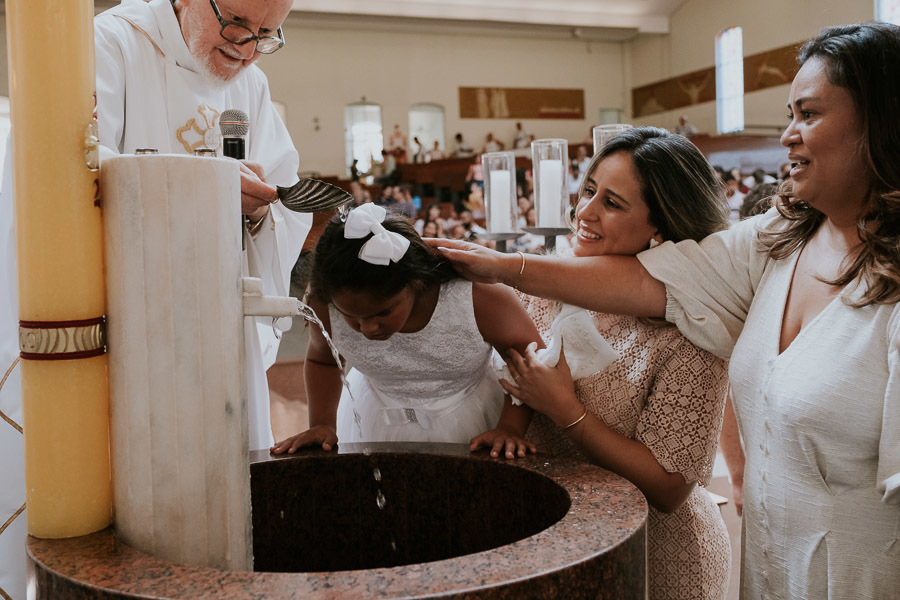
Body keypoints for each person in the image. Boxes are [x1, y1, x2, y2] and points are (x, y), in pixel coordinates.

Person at [429, 23, 900, 599]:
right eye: (789, 114)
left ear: (880, 122)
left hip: (863, 574)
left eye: (808, 114)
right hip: (773, 564)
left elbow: (673, 484)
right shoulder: (780, 241)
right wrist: (501, 267)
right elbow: (648, 278)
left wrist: (569, 409)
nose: (788, 136)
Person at [473, 127, 732, 600]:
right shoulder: (544, 285)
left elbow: (670, 488)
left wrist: (565, 410)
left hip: (658, 555)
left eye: (612, 203)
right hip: (563, 538)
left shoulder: (690, 324)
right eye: (588, 190)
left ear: (661, 226)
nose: (584, 212)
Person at [90, 0, 311, 451]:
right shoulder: (112, 43)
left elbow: (286, 195)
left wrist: (261, 212)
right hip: (130, 319)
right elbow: (76, 170)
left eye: (268, 34)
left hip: (223, 320)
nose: (247, 50)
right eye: (236, 23)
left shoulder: (252, 84)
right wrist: (203, 190)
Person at [271, 204, 543, 452]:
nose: (368, 328)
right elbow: (324, 360)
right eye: (350, 316)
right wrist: (323, 423)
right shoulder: (323, 301)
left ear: (415, 282)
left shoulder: (475, 295)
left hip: (476, 414)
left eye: (383, 312)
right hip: (375, 415)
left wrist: (509, 427)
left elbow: (530, 358)